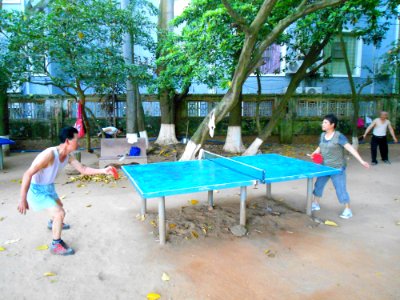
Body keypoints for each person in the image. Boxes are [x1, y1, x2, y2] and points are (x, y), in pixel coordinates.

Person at [18, 127, 115, 256]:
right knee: (60, 213)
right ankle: (56, 244)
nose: (78, 143)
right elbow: (27, 174)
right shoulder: (50, 154)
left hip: (49, 186)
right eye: (76, 139)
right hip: (36, 189)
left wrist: (104, 170)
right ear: (67, 141)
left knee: (59, 207)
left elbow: (83, 169)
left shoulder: (68, 156)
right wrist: (23, 199)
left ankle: (53, 223)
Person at [310, 114, 369, 219]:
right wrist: (313, 154)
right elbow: (320, 147)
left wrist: (361, 161)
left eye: (325, 122)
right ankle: (315, 204)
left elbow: (350, 149)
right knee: (318, 185)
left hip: (337, 168)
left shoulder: (339, 136)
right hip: (325, 167)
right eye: (323, 122)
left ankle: (347, 210)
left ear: (332, 125)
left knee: (340, 189)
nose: (322, 124)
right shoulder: (322, 135)